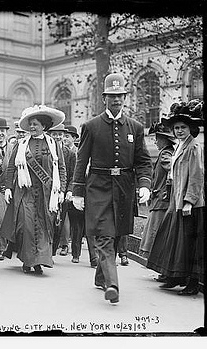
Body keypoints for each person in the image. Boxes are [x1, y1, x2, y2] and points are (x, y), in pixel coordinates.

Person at [71, 73, 152, 303]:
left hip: (124, 189)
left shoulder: (135, 128)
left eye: (120, 96)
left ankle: (100, 277)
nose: (117, 100)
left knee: (116, 236)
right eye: (112, 96)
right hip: (98, 188)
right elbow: (81, 160)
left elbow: (143, 161)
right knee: (105, 237)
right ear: (104, 98)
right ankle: (112, 285)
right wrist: (77, 191)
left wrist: (144, 184)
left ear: (125, 98)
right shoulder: (91, 126)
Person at [147, 100, 204, 295]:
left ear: (191, 129)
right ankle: (174, 276)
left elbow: (196, 176)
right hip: (176, 201)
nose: (179, 131)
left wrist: (189, 200)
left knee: (191, 246)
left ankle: (193, 284)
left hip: (191, 204)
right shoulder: (180, 146)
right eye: (177, 128)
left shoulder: (193, 148)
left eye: (183, 127)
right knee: (176, 241)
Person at [1, 105, 67, 275]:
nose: (32, 127)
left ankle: (39, 262)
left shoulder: (53, 144)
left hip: (46, 195)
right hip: (25, 192)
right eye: (30, 124)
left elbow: (61, 168)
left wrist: (61, 191)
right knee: (26, 225)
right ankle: (27, 260)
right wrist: (8, 188)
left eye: (35, 124)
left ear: (44, 126)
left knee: (44, 227)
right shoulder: (21, 144)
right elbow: (11, 168)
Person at [139, 122, 176, 267]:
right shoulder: (167, 153)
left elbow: (173, 171)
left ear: (165, 140)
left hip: (162, 200)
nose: (155, 141)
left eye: (158, 138)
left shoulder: (166, 154)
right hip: (160, 199)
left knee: (156, 234)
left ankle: (160, 265)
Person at [64, 126, 98, 267]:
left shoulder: (98, 156)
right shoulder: (78, 156)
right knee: (77, 227)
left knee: (91, 228)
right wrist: (74, 192)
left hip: (93, 196)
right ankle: (76, 254)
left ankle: (94, 257)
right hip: (79, 195)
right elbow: (75, 175)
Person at [48, 123, 76, 257]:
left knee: (61, 220)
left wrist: (69, 190)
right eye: (55, 134)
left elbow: (73, 175)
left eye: (60, 134)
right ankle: (49, 248)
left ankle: (62, 246)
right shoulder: (46, 150)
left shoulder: (69, 154)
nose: (58, 137)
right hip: (48, 190)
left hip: (63, 191)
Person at [0, 117, 14, 260]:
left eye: (2, 131)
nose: (0, 133)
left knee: (10, 218)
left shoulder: (13, 148)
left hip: (11, 188)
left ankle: (10, 247)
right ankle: (1, 247)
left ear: (6, 132)